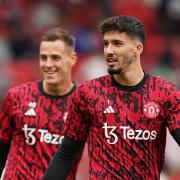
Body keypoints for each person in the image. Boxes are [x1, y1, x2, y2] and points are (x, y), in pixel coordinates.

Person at [43, 16, 180, 180]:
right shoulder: (89, 93)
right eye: (106, 44)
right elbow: (66, 154)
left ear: (137, 48)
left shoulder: (165, 93)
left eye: (117, 44)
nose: (108, 51)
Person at [0, 27, 80, 179]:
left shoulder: (83, 104)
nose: (48, 64)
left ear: (72, 59)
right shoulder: (16, 96)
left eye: (55, 58)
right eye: (44, 58)